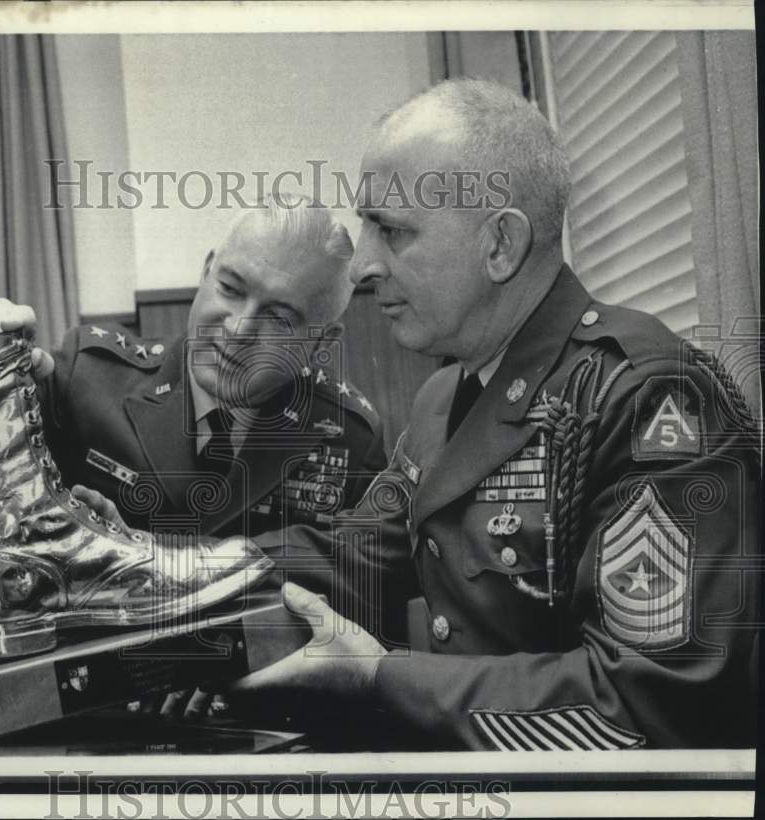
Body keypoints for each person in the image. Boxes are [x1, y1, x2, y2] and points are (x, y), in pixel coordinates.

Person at [226, 78, 760, 749]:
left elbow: (641, 703)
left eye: (391, 231)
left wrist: (383, 679)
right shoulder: (442, 399)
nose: (362, 265)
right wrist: (151, 561)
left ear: (500, 246)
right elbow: (354, 555)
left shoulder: (648, 396)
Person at [0, 194, 387, 543]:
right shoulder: (87, 380)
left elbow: (355, 595)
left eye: (279, 318)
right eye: (231, 289)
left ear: (321, 341)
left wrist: (132, 548)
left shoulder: (345, 434)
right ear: (205, 272)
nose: (239, 329)